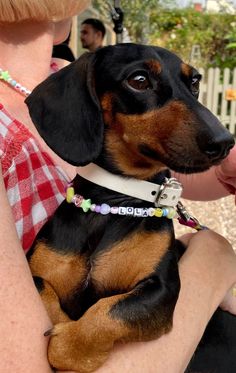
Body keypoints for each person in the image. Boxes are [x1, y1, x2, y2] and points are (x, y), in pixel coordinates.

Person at [0, 1, 236, 371]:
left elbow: (146, 166)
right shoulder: (75, 86)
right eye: (140, 82)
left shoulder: (64, 73)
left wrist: (224, 172)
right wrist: (213, 260)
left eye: (190, 84)